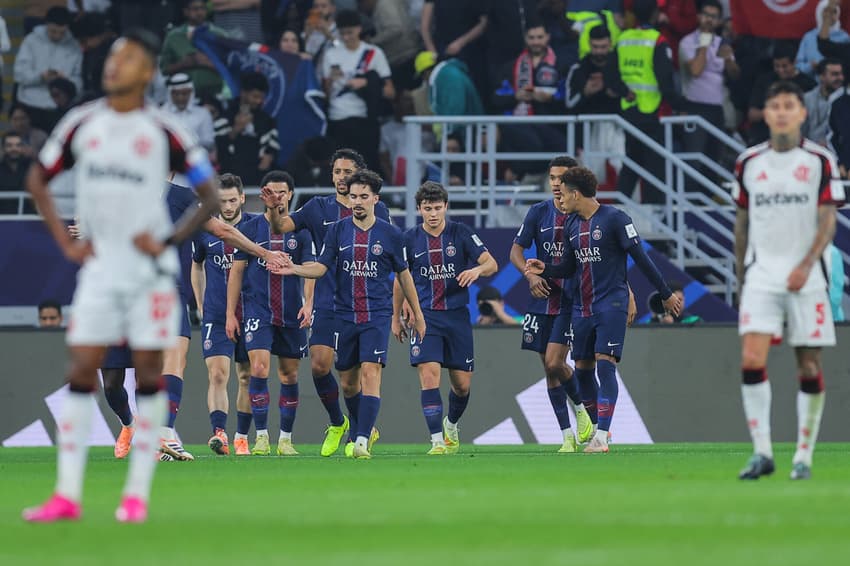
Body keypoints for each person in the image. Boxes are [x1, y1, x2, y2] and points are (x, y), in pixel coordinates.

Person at [22, 29, 219, 524]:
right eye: (111, 56)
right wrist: (67, 242)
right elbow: (37, 180)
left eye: (127, 58)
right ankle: (66, 495)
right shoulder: (81, 122)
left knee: (150, 376)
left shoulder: (165, 131)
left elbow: (211, 198)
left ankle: (136, 496)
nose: (114, 65)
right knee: (81, 371)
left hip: (151, 274)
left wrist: (172, 240)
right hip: (101, 272)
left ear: (147, 72)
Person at [526, 166, 682, 454]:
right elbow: (570, 267)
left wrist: (666, 294)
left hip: (611, 304)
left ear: (576, 193)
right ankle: (601, 431)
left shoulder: (615, 219)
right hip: (581, 308)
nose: (560, 198)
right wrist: (545, 267)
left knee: (605, 365)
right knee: (583, 372)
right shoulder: (572, 225)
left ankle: (600, 435)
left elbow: (642, 259)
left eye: (564, 193)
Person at [732, 80, 844, 481]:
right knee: (750, 359)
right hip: (762, 273)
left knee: (808, 364)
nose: (780, 112)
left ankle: (803, 455)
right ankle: (762, 452)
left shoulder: (819, 161)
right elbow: (741, 223)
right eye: (774, 105)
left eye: (788, 105)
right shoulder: (749, 162)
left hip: (806, 276)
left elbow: (828, 219)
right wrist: (741, 275)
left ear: (801, 113)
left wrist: (807, 263)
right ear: (765, 113)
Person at [275, 169, 425, 459]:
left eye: (363, 197)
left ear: (375, 200)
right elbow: (321, 267)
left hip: (376, 315)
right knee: (347, 382)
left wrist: (416, 314)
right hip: (344, 315)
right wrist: (294, 269)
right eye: (354, 196)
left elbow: (404, 276)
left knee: (371, 373)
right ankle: (361, 429)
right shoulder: (338, 230)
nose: (357, 201)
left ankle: (361, 440)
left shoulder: (391, 234)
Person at [269, 148, 391, 456]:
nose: (341, 178)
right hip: (327, 300)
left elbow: (389, 254)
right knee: (320, 367)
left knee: (353, 379)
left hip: (362, 303)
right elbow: (281, 227)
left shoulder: (378, 210)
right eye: (337, 172)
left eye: (347, 172)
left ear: (359, 176)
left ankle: (360, 432)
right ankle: (339, 422)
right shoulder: (316, 208)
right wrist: (274, 209)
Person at [392, 181, 498, 454]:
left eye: (438, 208)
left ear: (446, 207)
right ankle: (437, 441)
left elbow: (491, 263)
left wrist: (476, 271)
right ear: (419, 209)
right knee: (429, 375)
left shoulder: (460, 233)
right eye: (427, 209)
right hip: (424, 315)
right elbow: (399, 279)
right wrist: (397, 314)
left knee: (462, 386)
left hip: (457, 316)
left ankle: (451, 424)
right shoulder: (408, 239)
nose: (433, 214)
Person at [225, 171, 314, 457]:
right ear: (264, 196)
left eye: (282, 192)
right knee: (258, 369)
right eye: (271, 192)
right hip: (258, 309)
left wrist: (309, 303)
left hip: (290, 311)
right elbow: (236, 272)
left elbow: (311, 269)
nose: (277, 197)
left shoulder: (301, 230)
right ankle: (261, 436)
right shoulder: (250, 228)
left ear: (290, 195)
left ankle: (285, 439)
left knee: (289, 375)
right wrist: (230, 313)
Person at [510, 156, 594, 453]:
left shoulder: (582, 214)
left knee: (554, 362)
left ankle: (583, 409)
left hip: (570, 300)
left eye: (562, 178)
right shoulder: (538, 212)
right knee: (549, 370)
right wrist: (529, 275)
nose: (556, 183)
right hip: (541, 300)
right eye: (552, 178)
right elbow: (516, 250)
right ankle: (567, 436)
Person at [191, 174, 256, 456]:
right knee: (217, 374)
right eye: (222, 201)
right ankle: (220, 434)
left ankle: (242, 436)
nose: (228, 206)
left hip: (250, 311)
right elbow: (197, 266)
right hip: (217, 314)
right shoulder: (205, 230)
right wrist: (201, 305)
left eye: (233, 200)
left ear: (242, 198)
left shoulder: (255, 227)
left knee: (246, 377)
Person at [607, 0, 682, 204]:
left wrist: (624, 91)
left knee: (632, 163)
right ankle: (654, 222)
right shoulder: (657, 40)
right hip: (652, 112)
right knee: (654, 168)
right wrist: (681, 106)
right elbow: (665, 81)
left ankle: (617, 214)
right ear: (655, 14)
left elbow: (610, 76)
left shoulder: (623, 39)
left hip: (629, 112)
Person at [322, 10, 395, 172]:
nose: (346, 37)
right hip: (337, 119)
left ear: (359, 29)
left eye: (350, 32)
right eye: (342, 33)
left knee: (365, 170)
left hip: (365, 119)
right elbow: (325, 94)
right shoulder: (331, 54)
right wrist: (330, 81)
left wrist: (366, 82)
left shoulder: (373, 53)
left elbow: (390, 92)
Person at [679, 0, 739, 180]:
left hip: (716, 109)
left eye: (713, 17)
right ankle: (690, 203)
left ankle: (706, 204)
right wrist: (704, 43)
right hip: (695, 107)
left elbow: (735, 76)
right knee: (694, 160)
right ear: (698, 16)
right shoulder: (688, 42)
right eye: (706, 15)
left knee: (714, 158)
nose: (708, 20)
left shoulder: (722, 43)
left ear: (720, 21)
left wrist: (729, 59)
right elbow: (696, 70)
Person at [565, 25, 623, 181]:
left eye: (603, 47)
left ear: (610, 43)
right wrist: (586, 92)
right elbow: (569, 104)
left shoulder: (620, 66)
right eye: (596, 47)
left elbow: (630, 96)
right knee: (590, 178)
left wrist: (616, 91)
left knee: (624, 168)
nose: (599, 51)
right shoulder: (579, 69)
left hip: (617, 126)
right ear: (590, 44)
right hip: (588, 130)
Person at [13, 6, 83, 132]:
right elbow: (19, 74)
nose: (57, 36)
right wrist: (40, 77)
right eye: (53, 31)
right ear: (46, 25)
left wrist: (65, 82)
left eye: (62, 32)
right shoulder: (31, 41)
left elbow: (79, 81)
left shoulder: (74, 46)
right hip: (30, 105)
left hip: (58, 108)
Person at [214, 72, 279, 186]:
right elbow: (218, 149)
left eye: (261, 98)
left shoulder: (266, 120)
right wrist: (236, 129)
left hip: (257, 183)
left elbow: (272, 148)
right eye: (255, 96)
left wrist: (269, 157)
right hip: (229, 183)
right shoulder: (226, 116)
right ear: (243, 93)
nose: (258, 101)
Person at [747, 45, 817, 146]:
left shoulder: (808, 84)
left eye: (784, 66)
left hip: (798, 141)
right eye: (777, 66)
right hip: (764, 140)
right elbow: (752, 114)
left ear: (795, 62)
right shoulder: (764, 80)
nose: (780, 70)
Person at [160, 0, 226, 100]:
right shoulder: (173, 37)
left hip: (214, 95)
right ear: (186, 12)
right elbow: (164, 69)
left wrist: (208, 62)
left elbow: (231, 69)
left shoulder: (220, 35)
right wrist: (184, 64)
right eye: (195, 9)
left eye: (202, 8)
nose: (199, 12)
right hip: (181, 97)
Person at [162, 73, 215, 152]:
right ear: (171, 94)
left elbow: (209, 143)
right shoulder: (162, 114)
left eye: (184, 93)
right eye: (176, 94)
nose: (180, 98)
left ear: (191, 92)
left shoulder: (203, 114)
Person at [797, 0, 849, 77]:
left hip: (839, 82)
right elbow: (798, 65)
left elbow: (825, 46)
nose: (830, 15)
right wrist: (810, 66)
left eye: (834, 12)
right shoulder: (809, 37)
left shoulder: (845, 37)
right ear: (819, 12)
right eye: (825, 11)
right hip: (811, 82)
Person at [802, 59, 844, 147]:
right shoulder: (807, 99)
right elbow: (801, 130)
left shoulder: (847, 100)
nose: (840, 78)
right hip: (811, 150)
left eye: (841, 74)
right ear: (821, 76)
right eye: (835, 74)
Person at [0, 134, 33, 210]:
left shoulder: (32, 169)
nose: (14, 149)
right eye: (9, 145)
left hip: (29, 218)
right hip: (3, 218)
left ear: (23, 148)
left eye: (18, 145)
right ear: (3, 148)